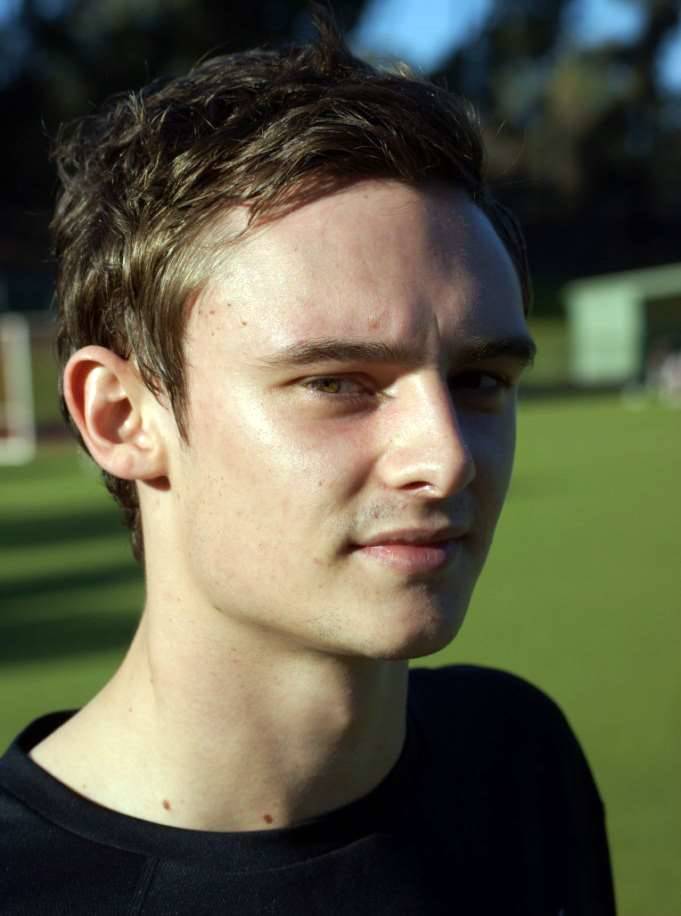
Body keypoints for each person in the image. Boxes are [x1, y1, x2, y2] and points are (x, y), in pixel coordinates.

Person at [0, 10, 615, 914]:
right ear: (121, 417)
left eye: (480, 379)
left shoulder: (515, 759)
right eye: (335, 383)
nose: (445, 458)